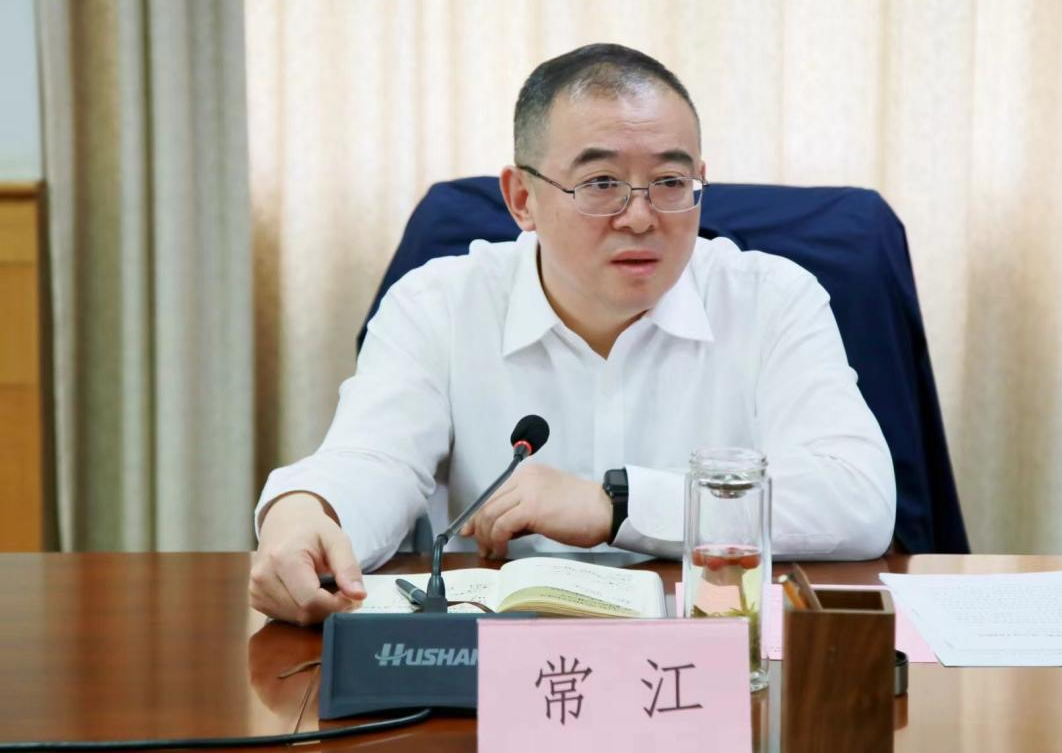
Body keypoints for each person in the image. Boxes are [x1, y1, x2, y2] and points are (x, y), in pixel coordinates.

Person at [250, 44, 896, 625]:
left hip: (708, 652)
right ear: (521, 199)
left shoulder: (772, 299)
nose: (640, 217)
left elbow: (857, 498)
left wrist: (616, 505)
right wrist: (306, 510)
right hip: (498, 661)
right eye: (601, 184)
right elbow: (374, 459)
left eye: (671, 183)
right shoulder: (437, 303)